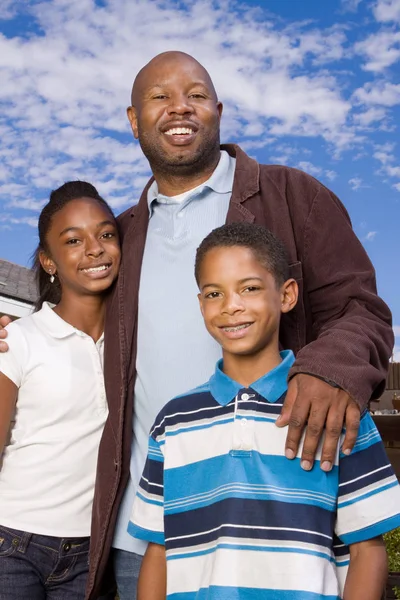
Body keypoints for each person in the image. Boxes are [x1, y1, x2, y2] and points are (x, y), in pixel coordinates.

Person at [0, 52, 394, 600]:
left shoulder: (293, 196)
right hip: (149, 532)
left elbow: (362, 310)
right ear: (134, 121)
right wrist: (14, 328)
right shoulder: (124, 234)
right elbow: (73, 311)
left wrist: (329, 369)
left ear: (219, 110)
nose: (178, 107)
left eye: (196, 94)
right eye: (159, 97)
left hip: (278, 522)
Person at [130, 223, 400, 600]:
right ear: (200, 304)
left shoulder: (335, 411)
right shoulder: (173, 421)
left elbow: (367, 552)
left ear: (287, 294)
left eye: (250, 288)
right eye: (214, 293)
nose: (231, 306)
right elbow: (159, 549)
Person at [0, 181, 120, 600]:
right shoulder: (18, 339)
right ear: (49, 261)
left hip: (92, 549)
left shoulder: (132, 345)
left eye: (106, 234)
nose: (94, 249)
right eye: (73, 240)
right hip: (12, 544)